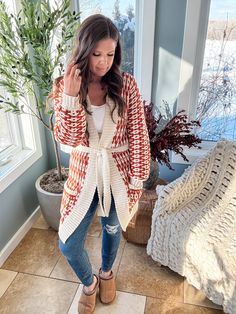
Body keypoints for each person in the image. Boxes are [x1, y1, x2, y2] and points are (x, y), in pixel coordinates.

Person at [52, 14, 150, 314]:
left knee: (111, 230)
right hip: (83, 174)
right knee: (68, 243)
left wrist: (137, 183)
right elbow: (67, 140)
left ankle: (107, 272)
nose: (103, 62)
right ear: (84, 49)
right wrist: (69, 97)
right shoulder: (66, 84)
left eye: (110, 54)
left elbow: (138, 134)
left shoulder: (126, 85)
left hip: (117, 172)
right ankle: (89, 282)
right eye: (96, 54)